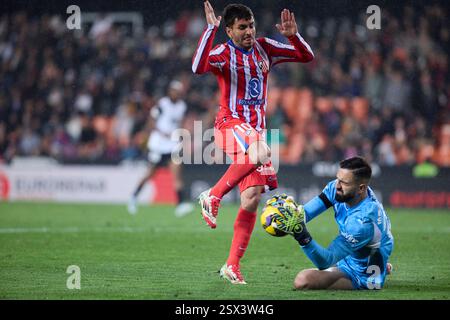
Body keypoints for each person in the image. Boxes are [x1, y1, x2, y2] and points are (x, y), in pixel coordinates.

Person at [192, 0, 314, 284]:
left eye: (251, 26)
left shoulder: (265, 48)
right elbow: (198, 67)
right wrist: (210, 30)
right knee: (261, 149)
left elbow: (306, 57)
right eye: (242, 27)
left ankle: (231, 266)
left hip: (254, 130)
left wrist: (293, 35)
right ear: (229, 30)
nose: (249, 31)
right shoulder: (223, 53)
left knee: (252, 196)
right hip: (230, 124)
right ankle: (213, 195)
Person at [272, 156, 394, 290]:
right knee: (361, 250)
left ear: (361, 188)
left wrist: (301, 235)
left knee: (303, 280)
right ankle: (377, 259)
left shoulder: (362, 222)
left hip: (363, 275)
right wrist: (291, 211)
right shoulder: (338, 189)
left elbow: (325, 261)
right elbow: (305, 213)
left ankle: (377, 267)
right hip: (353, 254)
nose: (337, 186)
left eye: (344, 183)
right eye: (338, 179)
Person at [128, 80, 194, 217]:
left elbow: (180, 122)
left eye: (178, 91)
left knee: (177, 173)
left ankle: (180, 204)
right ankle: (134, 196)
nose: (175, 93)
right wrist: (161, 132)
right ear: (170, 91)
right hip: (158, 144)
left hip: (172, 145)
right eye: (174, 90)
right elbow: (151, 121)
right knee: (150, 174)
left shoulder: (182, 106)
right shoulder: (162, 104)